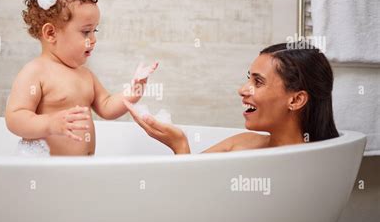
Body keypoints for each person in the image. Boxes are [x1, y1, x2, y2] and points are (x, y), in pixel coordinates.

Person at [5, 0, 158, 156]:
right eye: (86, 31)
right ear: (51, 33)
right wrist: (49, 124)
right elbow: (15, 117)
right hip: (46, 171)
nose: (93, 39)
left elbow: (107, 107)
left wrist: (135, 88)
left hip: (82, 170)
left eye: (95, 31)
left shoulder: (86, 75)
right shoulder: (35, 72)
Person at [124, 42, 339, 154]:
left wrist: (180, 145)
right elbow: (179, 193)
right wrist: (177, 143)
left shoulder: (306, 165)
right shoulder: (241, 143)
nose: (242, 90)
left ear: (296, 100)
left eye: (258, 82)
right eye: (248, 79)